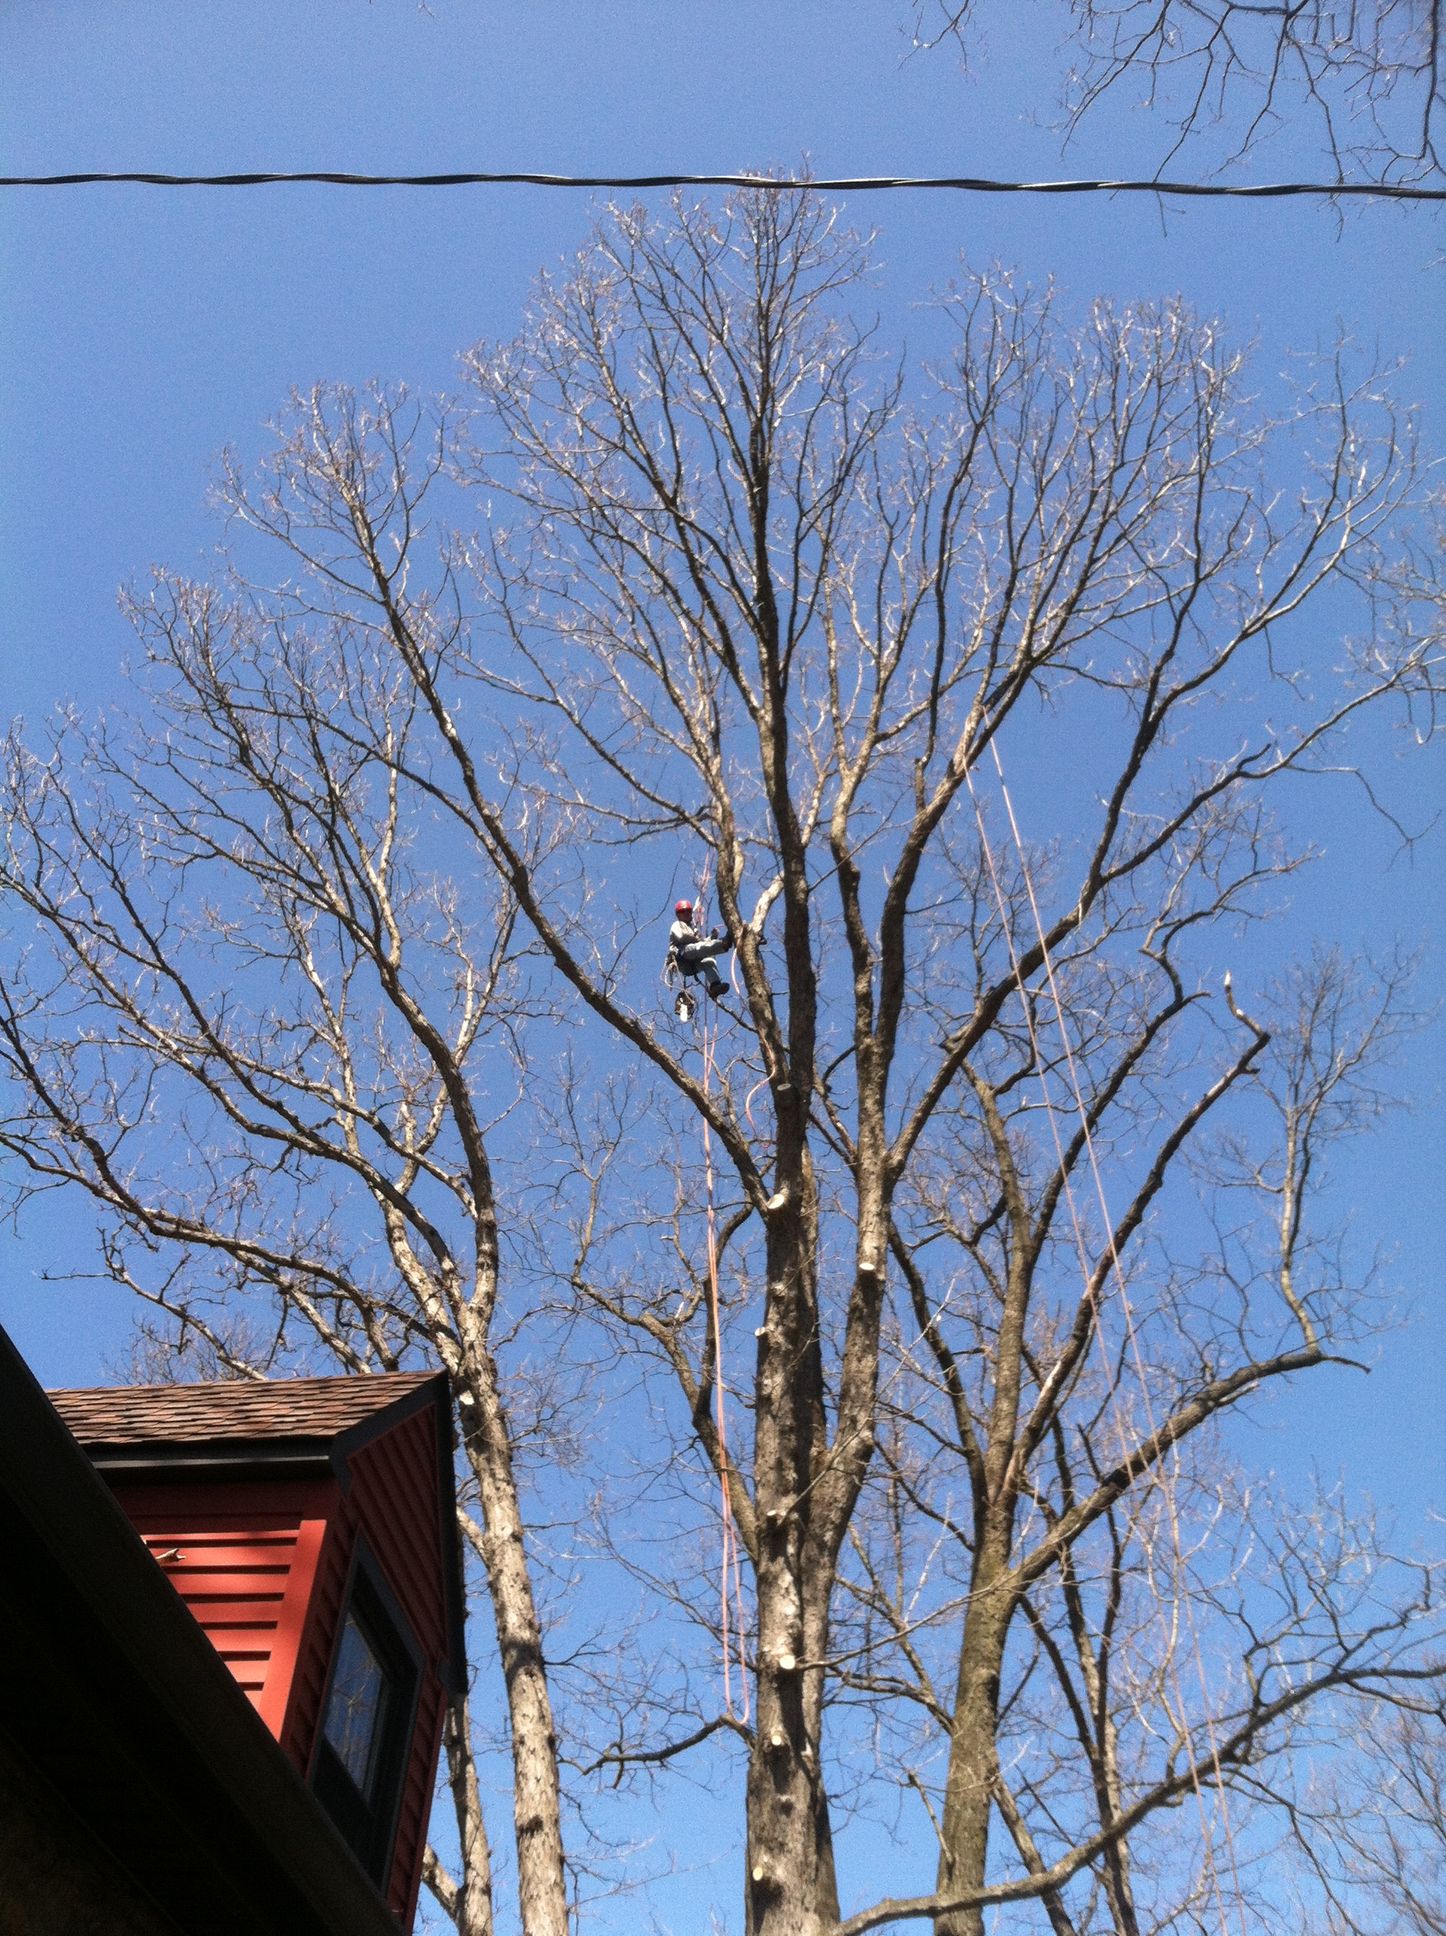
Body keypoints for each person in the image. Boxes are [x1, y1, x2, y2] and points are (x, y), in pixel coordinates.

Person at [666, 899, 733, 1017]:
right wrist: (702, 940)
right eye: (683, 912)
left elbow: (701, 944)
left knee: (709, 961)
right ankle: (724, 944)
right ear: (678, 914)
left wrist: (711, 938)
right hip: (682, 955)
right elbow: (683, 938)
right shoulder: (677, 925)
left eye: (688, 911)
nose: (686, 914)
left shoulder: (692, 929)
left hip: (693, 964)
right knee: (698, 948)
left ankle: (714, 986)